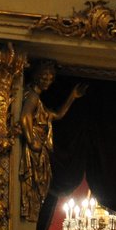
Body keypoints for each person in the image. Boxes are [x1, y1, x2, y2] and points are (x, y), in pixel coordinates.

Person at [17, 61, 86, 220]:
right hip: (36, 148)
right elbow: (25, 116)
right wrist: (31, 140)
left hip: (40, 148)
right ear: (37, 77)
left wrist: (72, 97)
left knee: (39, 183)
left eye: (50, 79)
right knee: (35, 183)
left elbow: (57, 115)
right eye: (44, 78)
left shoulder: (37, 100)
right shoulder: (33, 96)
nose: (47, 82)